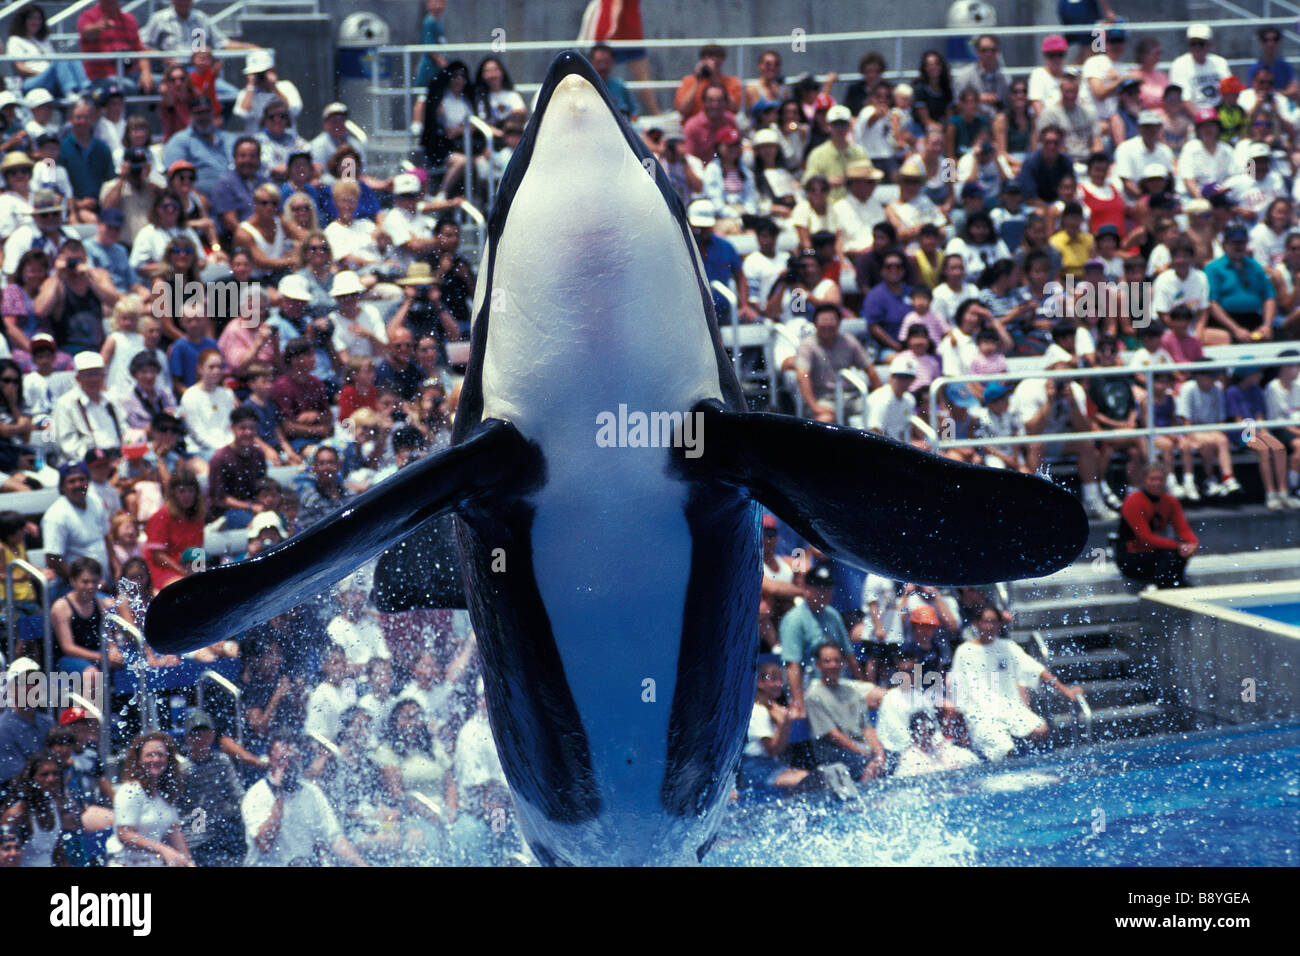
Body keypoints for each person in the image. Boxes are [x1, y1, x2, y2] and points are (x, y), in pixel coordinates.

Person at [949, 605, 1080, 761]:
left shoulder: (1008, 646)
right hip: (980, 712)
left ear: (999, 624)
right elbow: (957, 686)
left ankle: (1028, 763)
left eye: (994, 622)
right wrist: (962, 721)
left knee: (1041, 729)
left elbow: (1037, 670)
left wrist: (1065, 691)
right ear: (976, 623)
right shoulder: (964, 651)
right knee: (1003, 748)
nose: (990, 627)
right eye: (986, 622)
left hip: (1008, 707)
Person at [241, 731, 367, 866]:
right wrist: (279, 796)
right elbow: (264, 844)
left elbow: (334, 838)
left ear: (300, 759)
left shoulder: (312, 793)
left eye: (291, 760)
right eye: (281, 760)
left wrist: (361, 864)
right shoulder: (256, 795)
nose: (286, 766)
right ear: (270, 760)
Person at [779, 561, 864, 717]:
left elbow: (849, 656)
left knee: (881, 697)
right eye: (819, 587)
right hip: (810, 686)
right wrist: (798, 704)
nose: (825, 592)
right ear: (806, 589)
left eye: (828, 587)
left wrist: (863, 686)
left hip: (837, 682)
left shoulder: (833, 615)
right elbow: (792, 666)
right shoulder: (794, 619)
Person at [107, 732, 193, 866]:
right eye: (150, 755)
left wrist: (188, 862)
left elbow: (174, 832)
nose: (156, 759)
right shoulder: (130, 791)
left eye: (161, 755)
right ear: (139, 760)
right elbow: (124, 834)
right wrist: (162, 849)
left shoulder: (165, 793)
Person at [805, 643, 886, 783]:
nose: (833, 665)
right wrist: (864, 753)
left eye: (837, 661)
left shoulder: (852, 691)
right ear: (818, 665)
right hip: (833, 752)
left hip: (859, 748)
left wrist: (879, 753)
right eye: (827, 661)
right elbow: (834, 735)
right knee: (868, 764)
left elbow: (866, 728)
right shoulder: (814, 696)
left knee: (890, 759)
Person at [178, 710, 245, 867]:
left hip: (222, 828)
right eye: (195, 733)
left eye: (205, 732)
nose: (201, 737)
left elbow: (237, 794)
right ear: (188, 738)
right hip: (196, 832)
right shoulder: (183, 769)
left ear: (213, 734)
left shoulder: (222, 761)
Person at [1116, 463, 1199, 587]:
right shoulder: (1133, 500)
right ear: (1144, 481)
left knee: (1178, 554)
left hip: (1154, 551)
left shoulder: (1170, 501)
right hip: (1132, 555)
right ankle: (1163, 585)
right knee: (1170, 554)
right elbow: (1145, 538)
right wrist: (1178, 546)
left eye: (1160, 479)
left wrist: (1192, 544)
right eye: (1152, 479)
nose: (1157, 483)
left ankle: (1174, 583)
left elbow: (1183, 529)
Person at [795, 304, 879, 424]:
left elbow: (869, 368)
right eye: (824, 320)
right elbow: (802, 376)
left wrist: (881, 395)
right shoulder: (807, 345)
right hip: (824, 399)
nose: (828, 324)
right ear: (815, 323)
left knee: (878, 411)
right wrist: (814, 406)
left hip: (852, 397)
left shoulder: (849, 341)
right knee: (824, 421)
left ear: (839, 323)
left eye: (832, 320)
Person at [40, 463, 113, 596]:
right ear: (62, 487)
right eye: (71, 481)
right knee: (113, 611)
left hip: (102, 581)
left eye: (82, 479)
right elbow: (52, 560)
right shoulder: (56, 515)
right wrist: (91, 582)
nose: (78, 484)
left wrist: (117, 569)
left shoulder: (95, 500)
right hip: (71, 585)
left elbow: (106, 536)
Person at [0, 749, 67, 866]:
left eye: (55, 773)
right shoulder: (16, 814)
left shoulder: (56, 807)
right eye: (44, 774)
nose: (51, 779)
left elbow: (58, 853)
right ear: (31, 779)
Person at [144, 468, 204, 590]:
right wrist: (183, 572)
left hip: (186, 568)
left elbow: (197, 550)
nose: (187, 496)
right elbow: (157, 556)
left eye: (191, 491)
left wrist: (199, 571)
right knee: (182, 587)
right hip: (162, 569)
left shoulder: (197, 517)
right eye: (182, 491)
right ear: (173, 493)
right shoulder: (162, 516)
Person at [0, 659, 56, 784]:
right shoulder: (3, 729)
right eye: (23, 682)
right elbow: (15, 781)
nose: (31, 687)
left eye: (35, 681)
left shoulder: (48, 723)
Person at [893, 709, 980, 777]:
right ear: (913, 735)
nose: (926, 735)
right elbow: (902, 782)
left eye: (930, 731)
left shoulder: (940, 749)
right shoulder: (909, 757)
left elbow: (972, 759)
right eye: (922, 732)